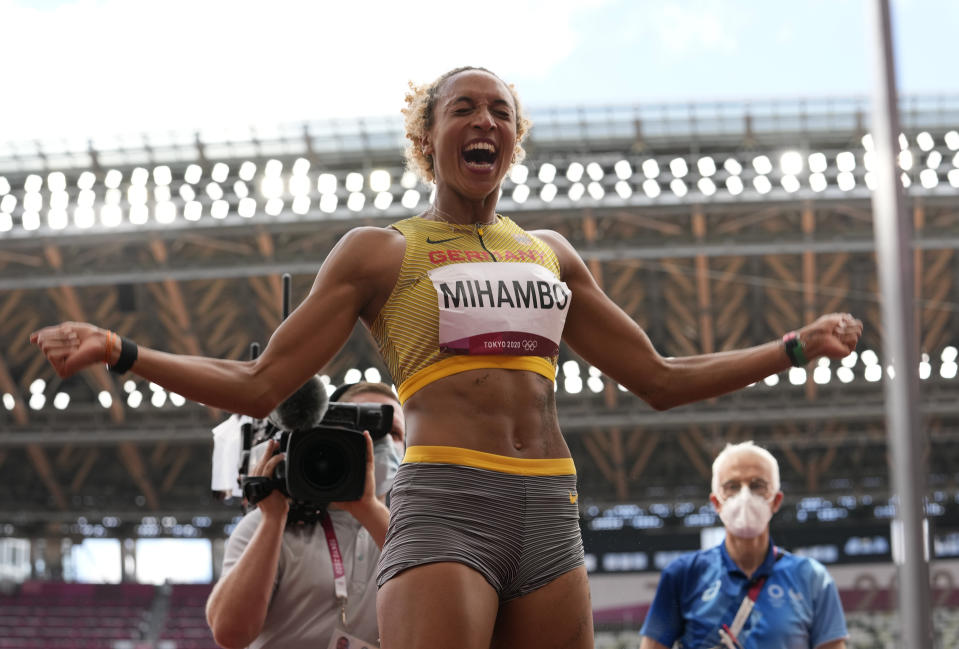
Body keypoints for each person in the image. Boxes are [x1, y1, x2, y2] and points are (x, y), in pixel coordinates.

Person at [30, 65, 863, 649]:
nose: (486, 121)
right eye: (463, 107)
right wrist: (123, 349)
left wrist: (790, 347)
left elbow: (659, 378)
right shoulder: (379, 253)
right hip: (444, 502)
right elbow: (261, 382)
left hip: (549, 508)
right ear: (427, 139)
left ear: (514, 140)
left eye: (500, 111)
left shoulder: (550, 253)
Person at [205, 381, 405, 649]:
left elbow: (440, 609)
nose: (375, 441)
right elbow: (230, 633)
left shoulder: (411, 533)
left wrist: (368, 509)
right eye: (362, 427)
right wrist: (272, 520)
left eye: (391, 432)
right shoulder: (270, 521)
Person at [639, 441, 848, 649]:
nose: (745, 496)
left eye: (758, 485)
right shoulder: (683, 575)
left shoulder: (811, 578)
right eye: (732, 486)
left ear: (776, 500)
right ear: (716, 502)